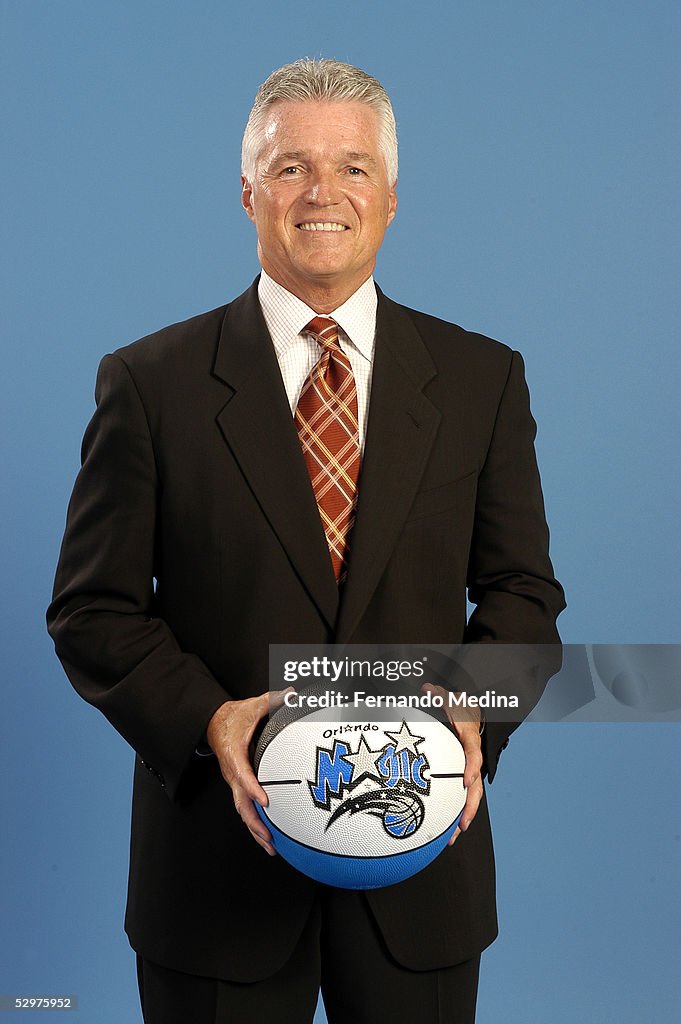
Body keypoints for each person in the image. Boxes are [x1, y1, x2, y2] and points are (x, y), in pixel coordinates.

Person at [47, 58, 565, 1024]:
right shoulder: (150, 383)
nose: (322, 193)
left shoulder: (480, 379)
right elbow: (92, 610)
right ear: (248, 192)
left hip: (420, 876)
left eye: (352, 168)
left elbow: (523, 596)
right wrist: (211, 719)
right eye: (290, 167)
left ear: (393, 197)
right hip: (213, 878)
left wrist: (472, 717)